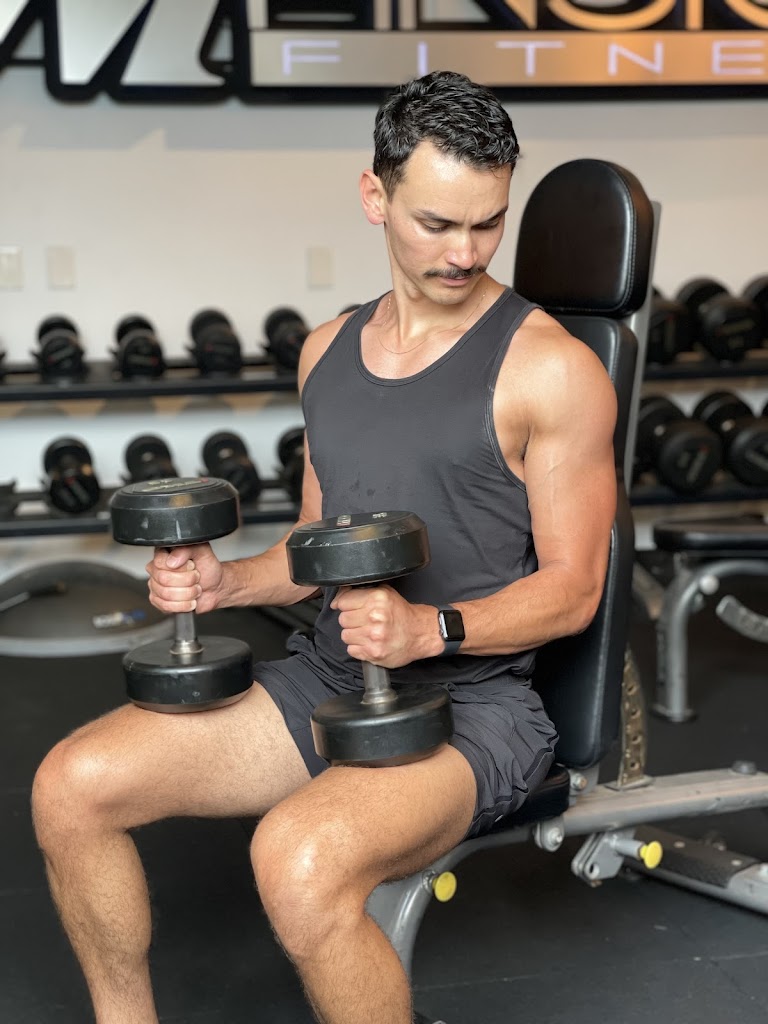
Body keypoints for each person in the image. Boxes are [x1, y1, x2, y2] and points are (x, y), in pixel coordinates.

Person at [31, 71, 617, 1024]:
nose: (465, 253)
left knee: (296, 857)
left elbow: (575, 590)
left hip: (477, 708)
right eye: (438, 223)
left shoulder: (552, 370)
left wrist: (430, 628)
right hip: (330, 677)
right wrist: (223, 582)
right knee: (70, 787)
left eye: (489, 223)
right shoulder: (327, 351)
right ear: (375, 196)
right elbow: (316, 549)